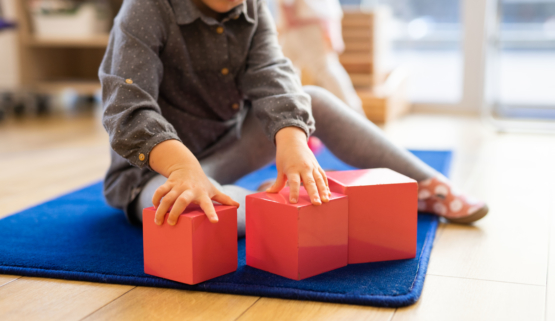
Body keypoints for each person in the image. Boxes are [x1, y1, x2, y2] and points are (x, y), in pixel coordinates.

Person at [99, 0, 488, 238]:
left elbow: (275, 77)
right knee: (202, 216)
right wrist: (184, 168)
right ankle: (300, 208)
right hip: (157, 175)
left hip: (225, 150)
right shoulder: (146, 8)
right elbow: (128, 108)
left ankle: (428, 185)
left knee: (313, 99)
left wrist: (292, 142)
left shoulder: (253, 9)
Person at [277, 0, 365, 114]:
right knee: (285, 70)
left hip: (302, 22)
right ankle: (290, 113)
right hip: (312, 20)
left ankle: (355, 115)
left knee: (323, 68)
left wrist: (287, 12)